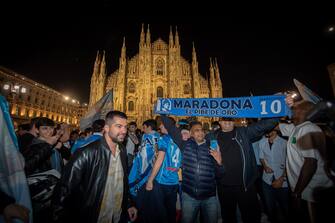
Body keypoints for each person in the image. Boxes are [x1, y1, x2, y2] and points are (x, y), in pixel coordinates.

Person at [52, 111, 137, 223]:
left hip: (116, 215)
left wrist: (128, 203)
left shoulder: (122, 150)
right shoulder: (86, 153)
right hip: (93, 216)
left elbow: (122, 181)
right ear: (106, 128)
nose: (124, 131)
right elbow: (63, 192)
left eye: (125, 127)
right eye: (119, 126)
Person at [215, 116, 280, 223]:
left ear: (234, 120)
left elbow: (265, 125)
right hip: (224, 187)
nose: (227, 121)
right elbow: (195, 139)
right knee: (228, 217)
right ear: (219, 121)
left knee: (251, 217)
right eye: (224, 119)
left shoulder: (243, 132)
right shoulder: (212, 136)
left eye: (230, 119)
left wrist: (279, 110)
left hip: (245, 185)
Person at [279, 99, 334, 223]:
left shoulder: (308, 129)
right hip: (304, 189)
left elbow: (310, 163)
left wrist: (297, 193)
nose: (292, 111)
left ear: (304, 111)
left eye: (295, 109)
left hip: (310, 191)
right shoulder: (296, 128)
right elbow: (276, 126)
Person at [161, 115, 224, 223]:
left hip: (209, 197)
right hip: (189, 196)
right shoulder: (185, 145)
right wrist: (164, 111)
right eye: (196, 130)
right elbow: (171, 128)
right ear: (190, 133)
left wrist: (219, 162)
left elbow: (221, 174)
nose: (200, 132)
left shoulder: (211, 147)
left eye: (202, 130)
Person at [144, 117, 182, 223]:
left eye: (162, 124)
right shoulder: (180, 139)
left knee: (159, 212)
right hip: (174, 180)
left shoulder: (164, 139)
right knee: (171, 210)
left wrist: (150, 180)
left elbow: (159, 160)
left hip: (162, 181)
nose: (160, 126)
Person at [259, 128, 289, 223]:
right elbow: (261, 157)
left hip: (282, 181)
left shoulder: (284, 143)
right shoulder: (262, 141)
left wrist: (282, 178)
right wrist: (265, 166)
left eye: (270, 129)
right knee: (269, 207)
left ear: (275, 130)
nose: (267, 131)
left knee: (285, 207)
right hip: (266, 180)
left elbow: (289, 162)